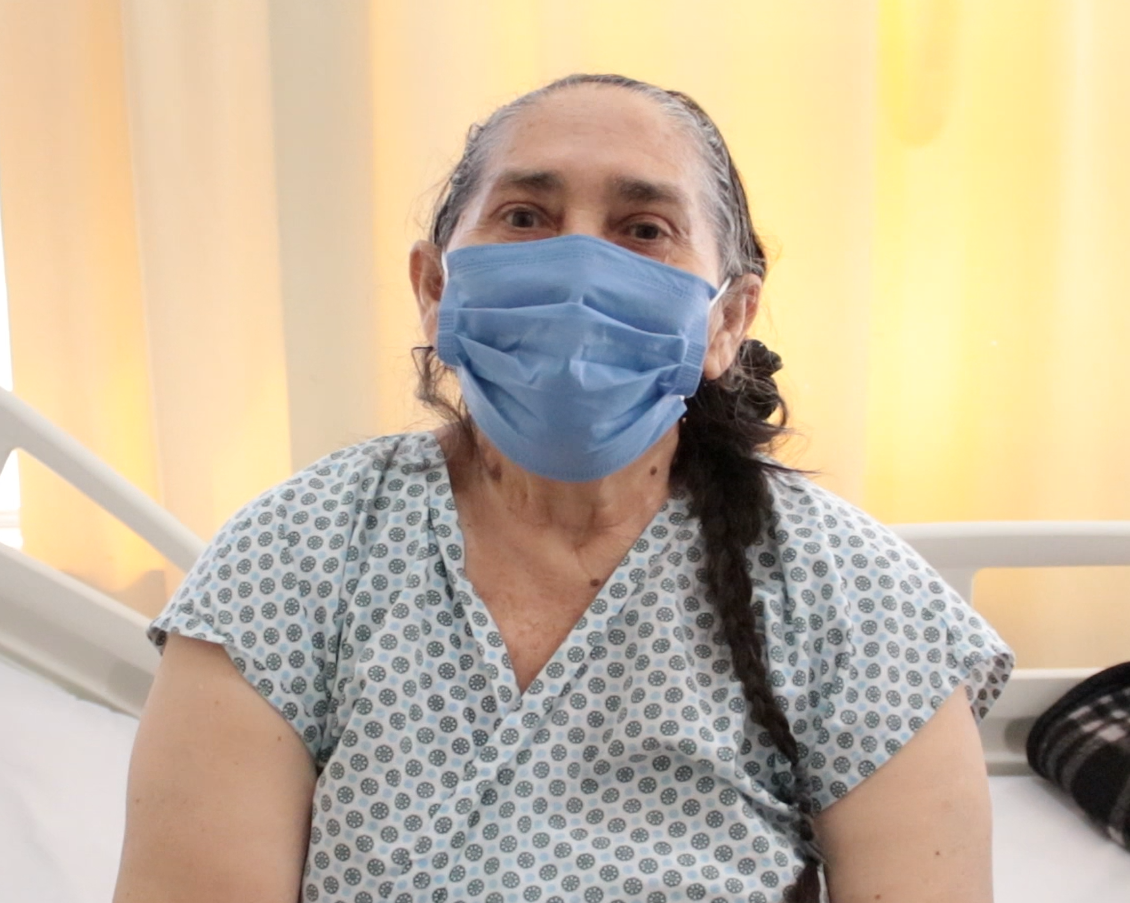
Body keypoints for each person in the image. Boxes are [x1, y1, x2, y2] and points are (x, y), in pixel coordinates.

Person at [113, 73, 1013, 903]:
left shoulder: (850, 596)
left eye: (643, 229)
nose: (579, 265)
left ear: (727, 320)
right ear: (435, 287)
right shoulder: (296, 554)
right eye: (524, 216)